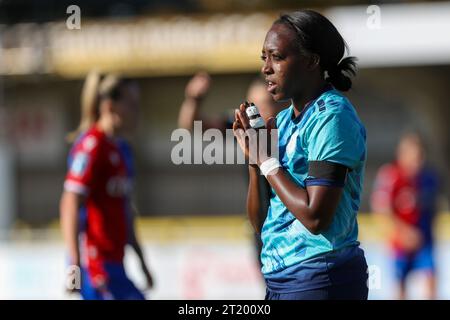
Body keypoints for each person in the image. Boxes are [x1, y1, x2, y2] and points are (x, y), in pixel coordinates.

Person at [233, 10, 368, 300]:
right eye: (263, 58)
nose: (266, 69)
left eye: (277, 57)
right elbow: (260, 222)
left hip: (322, 277)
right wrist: (254, 160)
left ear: (311, 61)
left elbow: (315, 217)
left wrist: (267, 161)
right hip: (281, 280)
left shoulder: (332, 116)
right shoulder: (281, 122)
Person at [177, 72, 287, 267]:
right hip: (261, 227)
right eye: (252, 106)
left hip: (292, 226)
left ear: (279, 104)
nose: (255, 114)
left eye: (264, 104)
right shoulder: (245, 126)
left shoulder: (291, 128)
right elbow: (191, 126)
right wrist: (194, 98)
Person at [60, 71, 153, 300]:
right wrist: (74, 264)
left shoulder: (123, 151)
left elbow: (125, 210)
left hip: (115, 264)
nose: (136, 112)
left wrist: (142, 261)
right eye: (131, 104)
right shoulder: (92, 146)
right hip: (94, 265)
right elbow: (70, 201)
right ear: (111, 106)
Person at [371, 132, 439, 299]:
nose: (417, 162)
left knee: (430, 278)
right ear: (402, 154)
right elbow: (381, 210)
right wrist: (403, 233)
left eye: (420, 156)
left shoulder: (429, 177)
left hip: (423, 240)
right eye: (413, 156)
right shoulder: (390, 176)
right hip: (399, 245)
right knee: (399, 284)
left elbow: (434, 205)